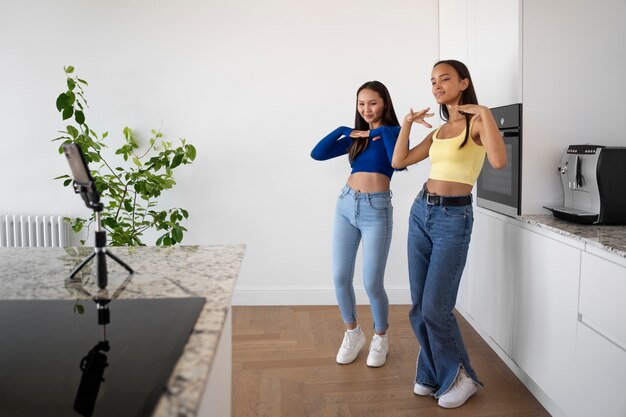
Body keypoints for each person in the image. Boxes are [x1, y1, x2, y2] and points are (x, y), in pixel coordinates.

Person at [391, 60, 506, 408]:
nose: (437, 85)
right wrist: (407, 124)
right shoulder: (440, 131)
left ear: (463, 82)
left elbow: (499, 161)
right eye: (433, 80)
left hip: (452, 218)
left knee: (435, 308)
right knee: (418, 307)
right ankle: (430, 372)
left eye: (445, 79)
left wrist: (485, 112)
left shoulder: (475, 125)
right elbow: (399, 161)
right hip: (420, 213)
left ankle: (462, 377)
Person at [311, 81, 401, 367]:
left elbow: (397, 163)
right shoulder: (356, 137)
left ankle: (381, 336)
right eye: (361, 104)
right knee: (340, 277)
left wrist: (381, 131)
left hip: (377, 210)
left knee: (372, 282)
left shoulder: (394, 132)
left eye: (372, 103)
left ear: (384, 103)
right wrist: (343, 131)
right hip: (346, 205)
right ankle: (353, 332)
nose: (366, 109)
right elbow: (318, 153)